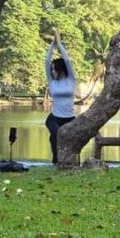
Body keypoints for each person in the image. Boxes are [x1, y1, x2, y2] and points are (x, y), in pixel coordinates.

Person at [45, 30, 76, 164]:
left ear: (60, 69)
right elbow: (46, 60)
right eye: (51, 69)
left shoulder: (71, 79)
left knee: (65, 139)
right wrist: (53, 44)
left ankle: (67, 160)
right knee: (55, 134)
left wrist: (60, 44)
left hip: (69, 118)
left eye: (54, 69)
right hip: (54, 117)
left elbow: (67, 60)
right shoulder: (52, 81)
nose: (52, 71)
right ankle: (56, 160)